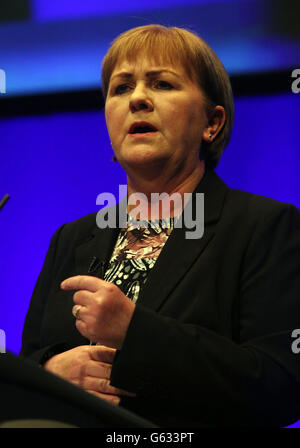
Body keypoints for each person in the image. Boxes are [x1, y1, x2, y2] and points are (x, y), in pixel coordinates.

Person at [20, 24, 300, 427]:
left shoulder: (264, 228)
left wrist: (137, 334)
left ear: (212, 123)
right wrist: (51, 374)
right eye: (121, 88)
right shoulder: (72, 239)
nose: (137, 99)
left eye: (162, 84)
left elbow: (281, 385)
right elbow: (29, 362)